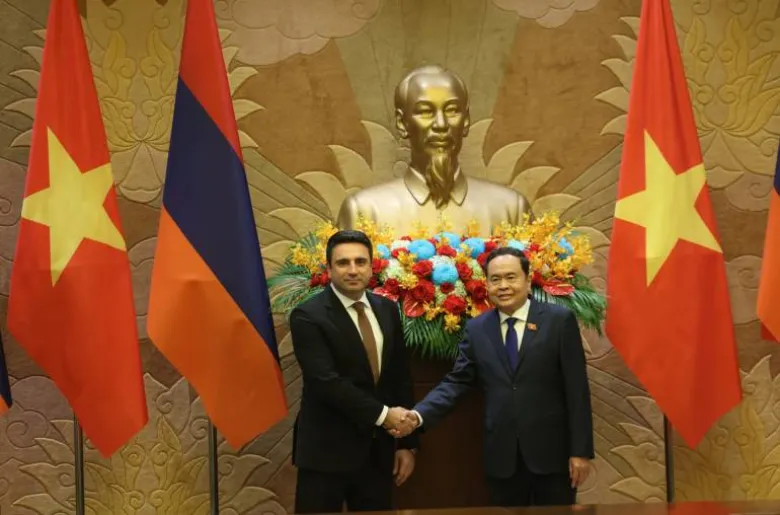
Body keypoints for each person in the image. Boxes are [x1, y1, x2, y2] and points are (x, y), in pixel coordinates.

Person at [394, 246, 594, 507]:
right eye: (495, 279)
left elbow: (577, 390)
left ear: (527, 280)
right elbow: (457, 381)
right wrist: (418, 416)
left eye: (511, 277)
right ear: (486, 284)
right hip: (502, 458)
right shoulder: (478, 328)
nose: (503, 286)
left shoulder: (558, 321)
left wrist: (580, 451)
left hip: (552, 456)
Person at [289, 229, 419, 513]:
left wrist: (406, 444)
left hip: (377, 455)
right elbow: (327, 383)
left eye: (360, 262)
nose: (352, 270)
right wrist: (384, 415)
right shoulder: (308, 315)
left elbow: (399, 377)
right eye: (343, 262)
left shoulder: (387, 309)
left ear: (372, 267)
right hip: (326, 455)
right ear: (328, 269)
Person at [337, 65, 531, 237]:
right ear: (402, 123)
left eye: (452, 110)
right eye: (425, 111)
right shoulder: (364, 212)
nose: (441, 124)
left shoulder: (511, 210)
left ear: (465, 120)